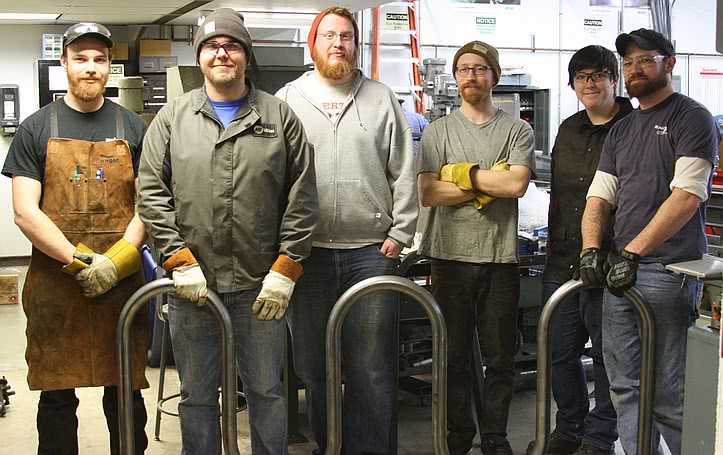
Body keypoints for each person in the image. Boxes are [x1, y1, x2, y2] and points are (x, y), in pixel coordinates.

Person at [137, 9, 318, 455]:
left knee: (267, 392)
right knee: (197, 396)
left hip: (262, 286)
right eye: (212, 46)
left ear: (245, 55)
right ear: (200, 58)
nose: (222, 53)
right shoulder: (172, 118)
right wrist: (177, 258)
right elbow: (150, 192)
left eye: (232, 45)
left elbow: (302, 196)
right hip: (192, 286)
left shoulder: (280, 116)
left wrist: (286, 266)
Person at [2, 22, 149, 455]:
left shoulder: (134, 127)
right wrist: (82, 262)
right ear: (63, 63)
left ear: (110, 67)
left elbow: (150, 205)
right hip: (56, 281)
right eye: (80, 59)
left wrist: (117, 259)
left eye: (99, 60)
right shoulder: (35, 128)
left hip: (122, 284)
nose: (90, 68)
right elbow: (25, 211)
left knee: (124, 390)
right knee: (56, 394)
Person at [276, 6, 417, 454]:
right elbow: (273, 175)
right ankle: (329, 446)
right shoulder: (288, 100)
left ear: (356, 44)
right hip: (308, 252)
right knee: (314, 366)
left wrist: (402, 232)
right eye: (329, 36)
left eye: (347, 36)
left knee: (371, 367)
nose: (339, 43)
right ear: (312, 44)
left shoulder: (381, 98)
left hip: (372, 251)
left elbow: (406, 170)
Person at [580, 28, 720, 455]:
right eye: (628, 63)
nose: (634, 70)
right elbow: (599, 196)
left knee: (667, 394)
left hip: (667, 273)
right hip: (621, 274)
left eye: (645, 60)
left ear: (670, 63)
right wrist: (591, 249)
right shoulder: (623, 130)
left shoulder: (691, 118)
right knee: (623, 386)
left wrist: (632, 252)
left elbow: (687, 196)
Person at [416, 40, 535, 455]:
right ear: (455, 76)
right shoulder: (437, 131)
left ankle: (495, 438)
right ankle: (457, 435)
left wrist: (459, 175)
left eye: (481, 69)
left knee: (500, 357)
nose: (472, 76)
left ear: (494, 76)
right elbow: (429, 192)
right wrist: (486, 184)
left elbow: (516, 185)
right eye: (464, 69)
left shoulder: (517, 129)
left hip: (499, 258)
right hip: (448, 257)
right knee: (453, 356)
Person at [526, 45, 632, 455]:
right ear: (572, 84)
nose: (590, 83)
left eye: (598, 75)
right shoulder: (568, 128)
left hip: (612, 263)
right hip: (563, 258)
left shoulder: (633, 126)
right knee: (559, 352)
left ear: (613, 79)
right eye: (581, 77)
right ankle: (569, 426)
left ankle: (599, 437)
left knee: (608, 358)